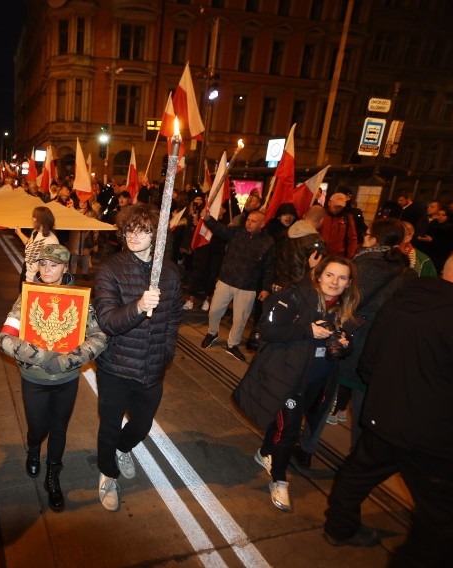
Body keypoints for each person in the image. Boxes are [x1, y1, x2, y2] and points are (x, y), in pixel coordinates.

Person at [323, 246, 453, 565]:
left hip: (384, 416)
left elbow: (371, 359)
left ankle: (339, 527)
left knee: (357, 473)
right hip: (436, 437)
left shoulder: (404, 299)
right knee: (443, 519)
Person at [232, 255, 360, 512]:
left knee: (286, 422)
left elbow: (344, 344)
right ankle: (279, 478)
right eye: (330, 275)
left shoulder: (344, 307)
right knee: (290, 431)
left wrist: (345, 345)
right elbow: (266, 331)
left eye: (342, 277)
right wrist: (307, 330)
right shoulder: (296, 296)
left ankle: (265, 452)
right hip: (288, 376)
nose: (335, 282)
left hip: (318, 379)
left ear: (349, 283)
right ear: (319, 275)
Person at [0, 244, 107, 511]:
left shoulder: (79, 300)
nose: (47, 270)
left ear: (64, 268)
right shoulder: (26, 299)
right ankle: (34, 447)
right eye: (43, 264)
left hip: (66, 379)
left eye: (54, 265)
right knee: (38, 427)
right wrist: (43, 357)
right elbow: (4, 339)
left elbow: (99, 337)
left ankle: (53, 475)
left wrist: (69, 360)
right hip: (34, 378)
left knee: (59, 428)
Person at [92, 204, 183, 512]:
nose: (133, 235)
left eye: (142, 230)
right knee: (109, 426)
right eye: (129, 229)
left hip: (152, 367)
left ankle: (123, 447)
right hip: (116, 367)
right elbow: (107, 321)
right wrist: (140, 305)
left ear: (156, 235)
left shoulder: (170, 272)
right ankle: (108, 473)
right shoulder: (110, 269)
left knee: (142, 425)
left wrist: (166, 351)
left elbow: (172, 317)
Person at [322, 219, 415, 444]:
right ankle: (356, 462)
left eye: (367, 235)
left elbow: (340, 301)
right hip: (380, 347)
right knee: (364, 406)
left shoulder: (359, 266)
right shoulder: (407, 273)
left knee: (325, 397)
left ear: (373, 239)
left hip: (349, 338)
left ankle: (306, 447)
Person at [199, 209, 276, 362]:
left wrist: (266, 288)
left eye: (253, 221)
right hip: (226, 279)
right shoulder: (236, 233)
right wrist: (208, 219)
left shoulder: (268, 242)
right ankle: (212, 333)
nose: (249, 222)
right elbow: (219, 229)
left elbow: (270, 267)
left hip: (248, 286)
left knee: (240, 319)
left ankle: (232, 344)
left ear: (262, 224)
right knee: (214, 310)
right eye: (248, 220)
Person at [15, 205, 59, 284]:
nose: (32, 219)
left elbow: (52, 265)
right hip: (27, 273)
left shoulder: (51, 240)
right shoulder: (35, 232)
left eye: (34, 217)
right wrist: (19, 233)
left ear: (40, 220)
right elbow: (30, 244)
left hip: (38, 279)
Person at [320, 191, 359, 258]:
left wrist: (350, 257)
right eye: (335, 206)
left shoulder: (347, 218)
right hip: (320, 254)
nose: (337, 209)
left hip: (338, 256)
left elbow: (352, 239)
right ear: (329, 203)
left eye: (340, 207)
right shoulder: (322, 215)